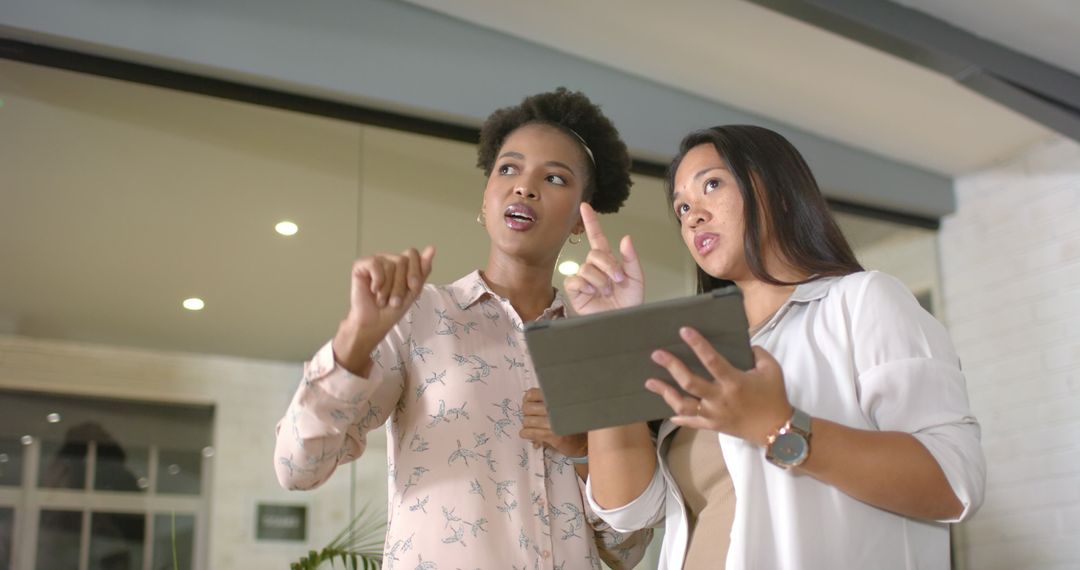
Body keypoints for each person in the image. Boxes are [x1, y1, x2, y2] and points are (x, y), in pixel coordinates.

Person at [568, 125, 985, 569]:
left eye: (712, 184)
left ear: (779, 192)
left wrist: (779, 427)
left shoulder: (862, 300)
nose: (693, 215)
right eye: (682, 207)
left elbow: (955, 481)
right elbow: (629, 510)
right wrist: (612, 334)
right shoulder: (700, 353)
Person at [274, 88, 651, 570]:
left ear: (582, 216)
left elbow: (627, 548)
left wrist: (583, 450)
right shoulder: (418, 316)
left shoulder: (598, 344)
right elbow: (296, 468)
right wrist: (355, 339)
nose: (525, 187)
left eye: (554, 177)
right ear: (486, 195)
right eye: (508, 169)